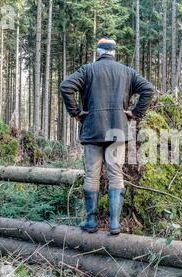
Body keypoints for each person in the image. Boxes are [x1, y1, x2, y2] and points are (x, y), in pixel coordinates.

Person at [60, 37, 155, 235]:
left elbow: (65, 86)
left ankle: (91, 221)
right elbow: (148, 89)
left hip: (93, 130)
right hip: (117, 131)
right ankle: (114, 224)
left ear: (99, 51)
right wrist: (135, 113)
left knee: (91, 175)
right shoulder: (127, 71)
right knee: (116, 175)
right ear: (114, 52)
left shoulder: (87, 70)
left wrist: (76, 112)